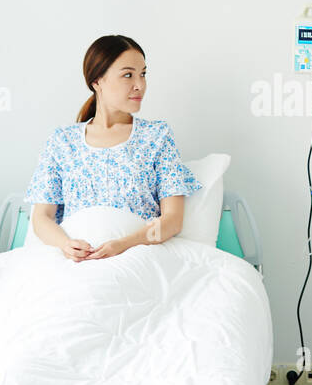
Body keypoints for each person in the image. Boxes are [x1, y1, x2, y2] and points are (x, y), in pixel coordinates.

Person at [24, 34, 202, 261]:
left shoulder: (157, 136)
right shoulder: (62, 142)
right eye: (128, 75)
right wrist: (66, 245)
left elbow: (172, 220)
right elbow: (42, 219)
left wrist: (124, 245)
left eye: (143, 74)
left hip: (138, 256)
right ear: (97, 81)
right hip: (75, 263)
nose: (140, 85)